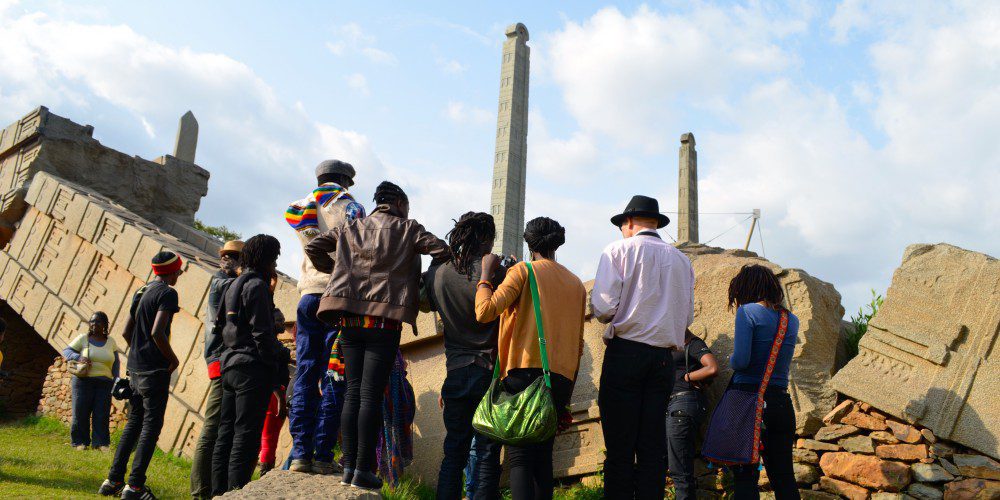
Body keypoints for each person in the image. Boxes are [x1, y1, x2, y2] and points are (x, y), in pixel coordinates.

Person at [305, 180, 450, 490]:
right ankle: (364, 470)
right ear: (398, 203)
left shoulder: (352, 227)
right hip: (383, 323)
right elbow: (443, 250)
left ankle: (348, 470)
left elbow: (313, 246)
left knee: (353, 393)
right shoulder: (408, 227)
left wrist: (340, 272)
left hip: (348, 320)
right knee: (370, 394)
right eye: (407, 207)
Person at [475, 217, 587, 500]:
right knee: (543, 459)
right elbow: (578, 345)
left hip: (524, 374)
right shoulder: (576, 283)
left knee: (521, 459)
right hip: (559, 380)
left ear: (529, 242)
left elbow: (485, 311)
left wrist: (485, 277)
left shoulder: (522, 271)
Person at [591, 195, 694, 500]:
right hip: (664, 359)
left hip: (626, 353)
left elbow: (603, 308)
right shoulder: (681, 259)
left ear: (630, 223)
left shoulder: (618, 250)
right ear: (655, 223)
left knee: (620, 448)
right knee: (652, 449)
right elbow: (686, 316)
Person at [285, 159, 365, 474]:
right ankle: (321, 454)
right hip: (336, 297)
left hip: (307, 295)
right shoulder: (349, 207)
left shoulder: (298, 207)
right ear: (345, 180)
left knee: (305, 373)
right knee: (334, 376)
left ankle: (300, 452)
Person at [422, 212, 504, 500]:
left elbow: (422, 302)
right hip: (489, 373)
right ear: (487, 239)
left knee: (454, 452)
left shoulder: (438, 273)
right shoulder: (496, 272)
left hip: (455, 372)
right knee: (487, 451)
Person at [99, 251, 183, 500]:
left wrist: (138, 353)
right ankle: (134, 486)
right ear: (170, 271)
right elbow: (158, 331)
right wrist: (172, 359)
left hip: (134, 369)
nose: (179, 274)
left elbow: (126, 330)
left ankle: (113, 480)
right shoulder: (168, 293)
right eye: (178, 270)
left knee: (133, 423)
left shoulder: (141, 291)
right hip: (155, 370)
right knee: (150, 427)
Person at [210, 235, 285, 494]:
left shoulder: (232, 284)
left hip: (229, 364)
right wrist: (279, 360)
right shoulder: (257, 286)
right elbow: (262, 334)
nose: (275, 263)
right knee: (246, 435)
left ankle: (217, 493)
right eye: (274, 257)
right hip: (251, 367)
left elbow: (220, 325)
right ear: (266, 258)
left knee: (225, 434)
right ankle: (235, 492)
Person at [726, 264, 800, 500]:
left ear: (745, 289)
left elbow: (741, 361)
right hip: (780, 402)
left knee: (745, 476)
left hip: (748, 401)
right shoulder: (791, 319)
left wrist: (729, 358)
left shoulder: (747, 312)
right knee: (784, 478)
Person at [191, 239, 242, 498]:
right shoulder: (222, 282)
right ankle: (200, 491)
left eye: (234, 256)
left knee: (222, 427)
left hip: (223, 359)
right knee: (212, 428)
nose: (229, 259)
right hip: (220, 360)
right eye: (228, 255)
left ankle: (210, 487)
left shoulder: (227, 281)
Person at [666, 330, 718, 500]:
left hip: (683, 404)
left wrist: (687, 377)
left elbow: (712, 367)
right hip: (672, 407)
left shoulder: (692, 343)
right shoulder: (667, 343)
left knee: (680, 473)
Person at [63, 311, 120, 451]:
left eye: (98, 321)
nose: (94, 324)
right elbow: (67, 351)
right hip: (83, 381)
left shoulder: (111, 342)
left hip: (104, 383)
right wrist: (79, 357)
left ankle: (101, 443)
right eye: (92, 321)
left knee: (101, 414)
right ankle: (79, 442)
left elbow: (116, 362)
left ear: (105, 325)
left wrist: (116, 379)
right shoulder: (83, 338)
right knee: (80, 412)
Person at [257, 308, 291, 476]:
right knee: (269, 436)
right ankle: (265, 471)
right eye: (279, 320)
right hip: (275, 394)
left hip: (275, 392)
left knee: (270, 435)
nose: (283, 323)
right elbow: (272, 371)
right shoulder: (270, 344)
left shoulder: (272, 343)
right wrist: (280, 397)